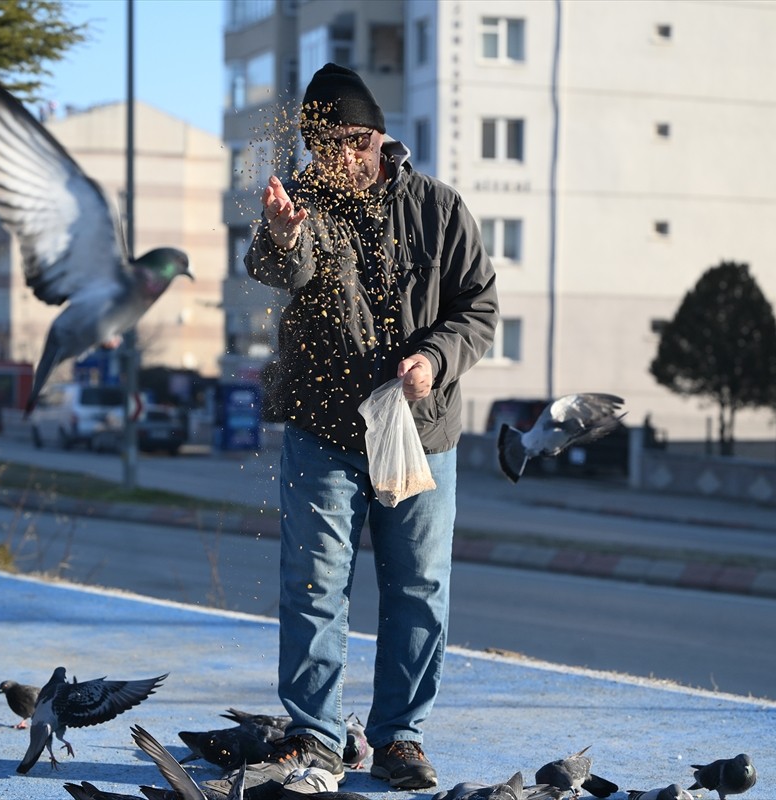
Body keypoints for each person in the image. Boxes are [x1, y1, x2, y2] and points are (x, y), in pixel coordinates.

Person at [219, 63, 499, 792]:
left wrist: (433, 361)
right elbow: (282, 267)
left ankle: (400, 738)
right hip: (323, 429)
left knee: (417, 587)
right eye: (320, 147)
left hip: (420, 430)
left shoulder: (440, 208)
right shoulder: (304, 200)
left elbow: (479, 310)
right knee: (312, 587)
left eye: (348, 144)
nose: (335, 160)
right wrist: (283, 237)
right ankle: (314, 737)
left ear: (376, 138)